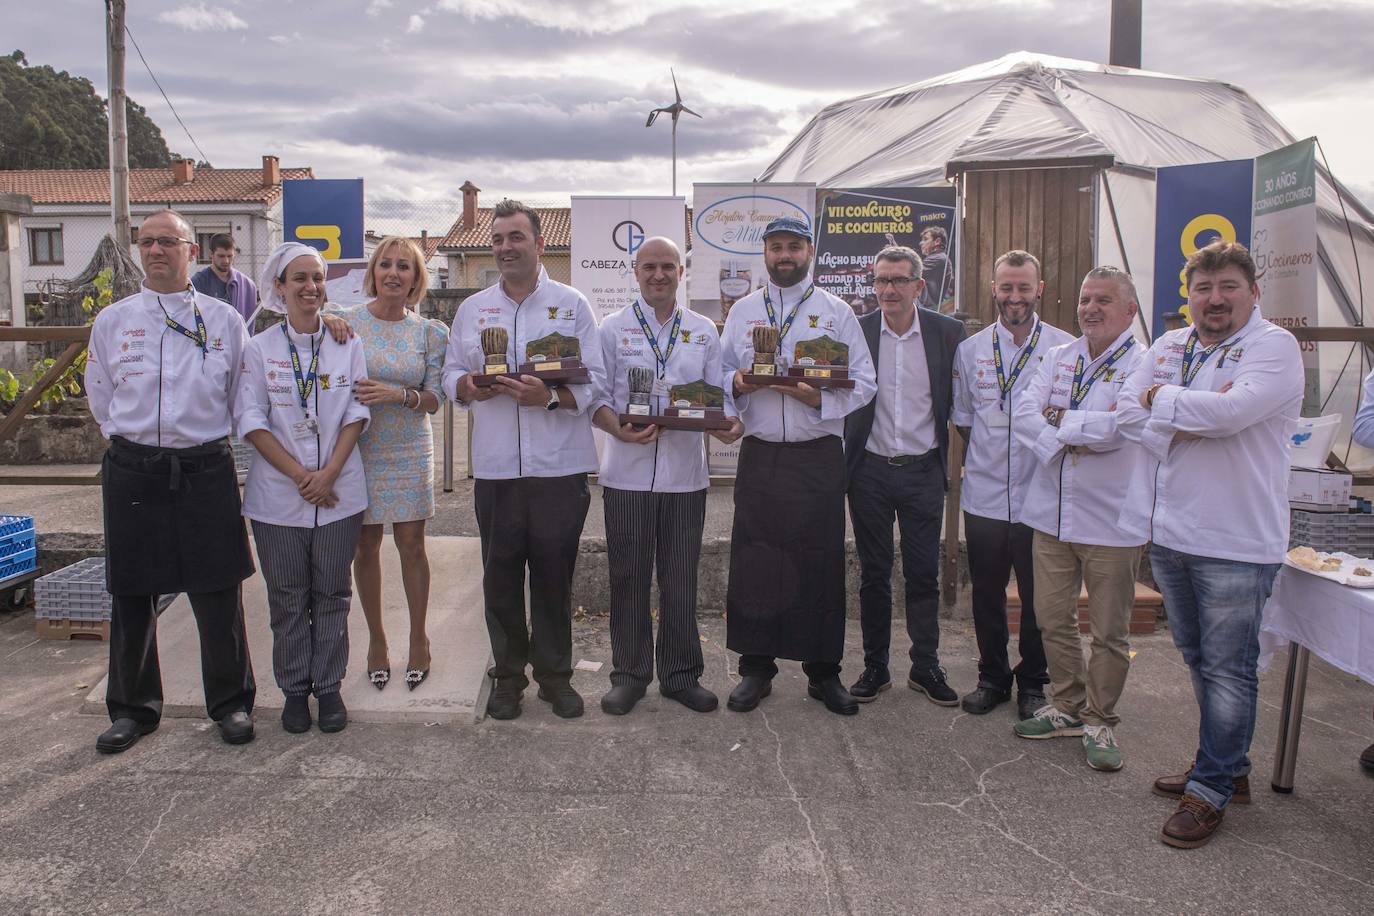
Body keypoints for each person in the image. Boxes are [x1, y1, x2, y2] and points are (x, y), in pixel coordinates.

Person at [1118, 240, 1303, 847]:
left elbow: (1237, 413)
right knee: (1199, 660)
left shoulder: (1271, 346)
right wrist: (1190, 409)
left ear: (1253, 291)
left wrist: (1164, 402)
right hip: (1172, 532)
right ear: (1189, 295)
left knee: (1229, 670)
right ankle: (1227, 769)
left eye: (1227, 287)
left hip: (1236, 539)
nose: (1215, 299)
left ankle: (1213, 788)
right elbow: (1125, 411)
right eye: (1203, 288)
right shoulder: (1171, 346)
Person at [85, 209, 256, 753]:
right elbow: (101, 394)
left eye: (168, 242)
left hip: (204, 466)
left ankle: (230, 704)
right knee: (132, 591)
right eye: (147, 242)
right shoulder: (114, 320)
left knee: (217, 590)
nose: (156, 250)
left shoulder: (226, 321)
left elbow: (240, 396)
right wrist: (134, 442)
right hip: (135, 468)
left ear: (192, 251)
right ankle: (133, 709)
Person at [443, 200, 607, 720]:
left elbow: (599, 379)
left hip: (559, 469)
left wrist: (551, 399)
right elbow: (449, 375)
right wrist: (467, 385)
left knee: (555, 578)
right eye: (499, 239)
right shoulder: (472, 309)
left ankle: (555, 678)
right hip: (496, 471)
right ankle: (508, 677)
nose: (506, 247)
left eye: (516, 237)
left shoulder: (572, 305)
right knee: (501, 578)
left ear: (539, 245)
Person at [720, 215, 876, 716]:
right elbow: (720, 373)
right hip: (762, 453)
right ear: (764, 254)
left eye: (793, 247)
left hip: (818, 456)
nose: (784, 256)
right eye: (775, 248)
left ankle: (823, 672)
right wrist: (739, 386)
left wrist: (818, 402)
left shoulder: (836, 312)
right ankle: (756, 669)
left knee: (820, 560)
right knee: (756, 560)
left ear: (810, 251)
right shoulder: (743, 311)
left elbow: (866, 382)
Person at [592, 237, 744, 715]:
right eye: (648, 267)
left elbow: (720, 394)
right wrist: (619, 429)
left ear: (682, 272)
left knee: (680, 579)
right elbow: (595, 398)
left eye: (667, 267)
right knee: (628, 576)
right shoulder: (612, 329)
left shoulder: (702, 331)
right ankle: (630, 675)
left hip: (685, 478)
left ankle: (680, 676)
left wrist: (730, 423)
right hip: (626, 475)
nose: (658, 275)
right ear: (634, 273)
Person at [1012, 266, 1147, 772]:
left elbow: (1124, 427)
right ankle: (1067, 705)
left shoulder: (1145, 363)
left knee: (1110, 631)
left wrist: (1059, 420)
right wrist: (1069, 432)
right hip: (1051, 514)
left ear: (1130, 310)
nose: (1091, 308)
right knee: (1051, 619)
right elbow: (1025, 411)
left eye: (1105, 300)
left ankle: (1100, 719)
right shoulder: (1059, 355)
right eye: (1086, 298)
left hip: (1112, 520)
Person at [236, 243, 370, 734]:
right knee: (288, 597)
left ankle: (329, 687)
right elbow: (250, 420)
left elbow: (357, 412)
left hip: (339, 493)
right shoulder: (259, 349)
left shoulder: (346, 341)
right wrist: (300, 476)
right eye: (300, 278)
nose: (311, 287)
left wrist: (329, 473)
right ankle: (294, 690)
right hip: (278, 498)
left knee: (333, 594)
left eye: (317, 277)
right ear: (279, 287)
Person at [952, 251, 1074, 719]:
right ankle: (992, 677)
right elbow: (965, 421)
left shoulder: (1064, 350)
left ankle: (1034, 683)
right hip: (984, 496)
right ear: (993, 288)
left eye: (1024, 288)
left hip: (1038, 496)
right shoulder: (972, 350)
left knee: (1038, 595)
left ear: (1039, 289)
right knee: (986, 593)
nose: (1015, 297)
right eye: (1007, 287)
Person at [843, 245, 964, 706]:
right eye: (881, 280)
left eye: (898, 280)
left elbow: (961, 400)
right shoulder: (857, 332)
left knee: (922, 575)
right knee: (874, 573)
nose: (888, 289)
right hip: (869, 471)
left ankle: (925, 665)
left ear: (919, 285)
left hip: (922, 471)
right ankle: (876, 666)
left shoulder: (947, 333)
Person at [331, 237, 447, 692]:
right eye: (385, 265)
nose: (393, 273)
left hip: (410, 448)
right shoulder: (346, 325)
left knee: (413, 545)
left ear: (417, 279)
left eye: (404, 266)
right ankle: (377, 641)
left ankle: (419, 639)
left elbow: (437, 399)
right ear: (373, 273)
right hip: (359, 447)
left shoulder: (429, 332)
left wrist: (399, 395)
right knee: (364, 546)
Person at [191, 233, 258, 325]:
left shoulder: (248, 285)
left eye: (230, 256)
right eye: (221, 256)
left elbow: (249, 323)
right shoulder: (198, 282)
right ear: (211, 254)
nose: (226, 261)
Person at [917, 226, 954, 312]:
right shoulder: (938, 257)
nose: (921, 243)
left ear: (937, 241)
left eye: (925, 239)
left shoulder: (938, 258)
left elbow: (912, 271)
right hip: (930, 309)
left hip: (930, 310)